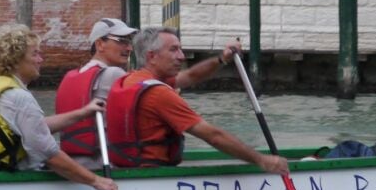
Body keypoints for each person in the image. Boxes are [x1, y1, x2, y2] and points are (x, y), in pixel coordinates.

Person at [0, 24, 118, 190]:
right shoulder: (19, 97)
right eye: (35, 54)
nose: (41, 59)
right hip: (13, 184)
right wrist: (96, 180)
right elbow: (49, 155)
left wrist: (82, 113)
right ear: (16, 60)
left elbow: (35, 127)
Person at [56, 17, 245, 165]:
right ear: (99, 44)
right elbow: (184, 80)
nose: (128, 47)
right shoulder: (115, 75)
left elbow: (188, 77)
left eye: (129, 41)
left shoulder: (70, 76)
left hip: (73, 159)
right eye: (121, 41)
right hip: (102, 164)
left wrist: (222, 59)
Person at [104, 27, 290, 174]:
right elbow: (213, 136)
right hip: (152, 173)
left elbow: (192, 75)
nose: (182, 56)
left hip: (125, 169)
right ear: (152, 56)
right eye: (174, 50)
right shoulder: (159, 93)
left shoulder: (129, 80)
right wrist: (262, 160)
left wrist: (222, 59)